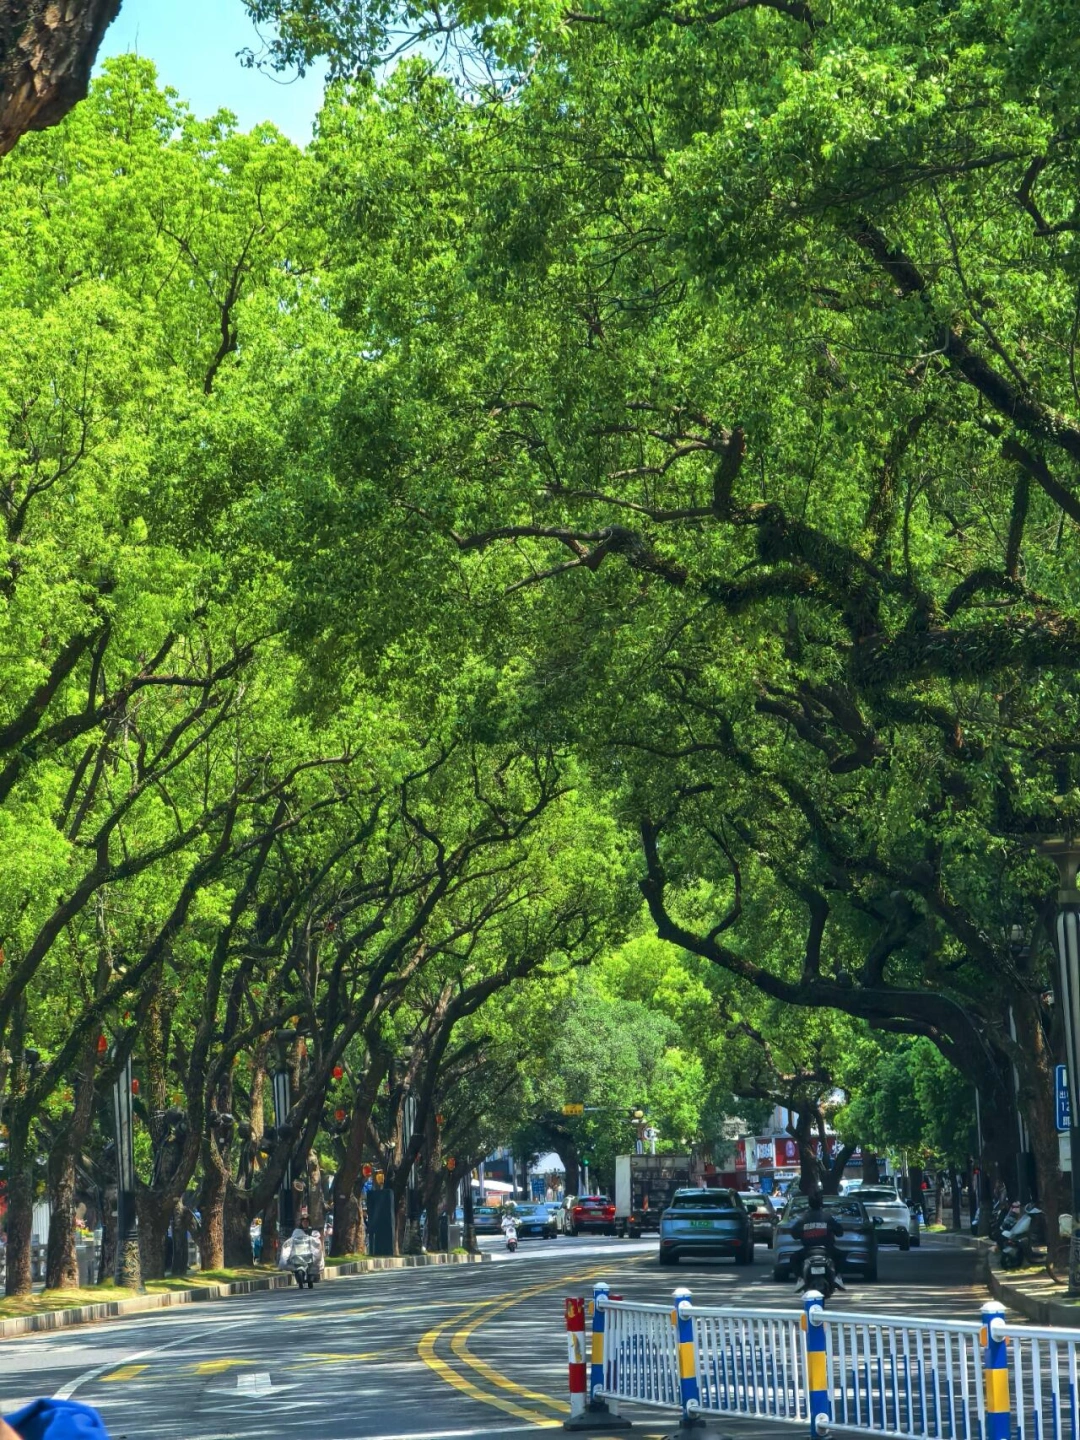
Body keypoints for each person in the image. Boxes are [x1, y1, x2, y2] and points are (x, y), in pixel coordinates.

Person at [790, 1187, 845, 1288]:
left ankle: (800, 1279)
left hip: (808, 1251)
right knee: (841, 1256)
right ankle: (838, 1277)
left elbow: (794, 1234)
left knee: (794, 1258)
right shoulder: (827, 1217)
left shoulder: (803, 1218)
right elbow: (840, 1232)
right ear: (821, 1203)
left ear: (809, 1204)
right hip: (827, 1250)